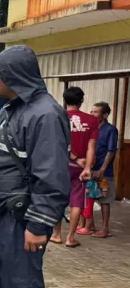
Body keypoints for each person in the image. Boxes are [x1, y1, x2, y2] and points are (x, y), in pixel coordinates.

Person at [0, 45, 70, 288]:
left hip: (17, 222)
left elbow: (52, 174)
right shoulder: (10, 109)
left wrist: (38, 226)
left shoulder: (45, 114)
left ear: (15, 76)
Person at [50, 86, 96, 247]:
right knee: (77, 202)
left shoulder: (58, 117)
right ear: (81, 101)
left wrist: (73, 158)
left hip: (61, 165)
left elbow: (57, 144)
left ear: (64, 100)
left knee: (58, 199)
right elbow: (91, 147)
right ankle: (70, 238)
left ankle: (56, 235)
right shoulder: (91, 120)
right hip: (81, 166)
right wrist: (87, 167)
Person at [79, 102, 118, 238]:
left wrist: (102, 169)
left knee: (105, 200)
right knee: (88, 197)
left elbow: (111, 151)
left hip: (104, 172)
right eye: (91, 111)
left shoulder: (110, 130)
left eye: (96, 112)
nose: (92, 114)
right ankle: (91, 225)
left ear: (105, 115)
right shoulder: (91, 128)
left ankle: (105, 229)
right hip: (89, 169)